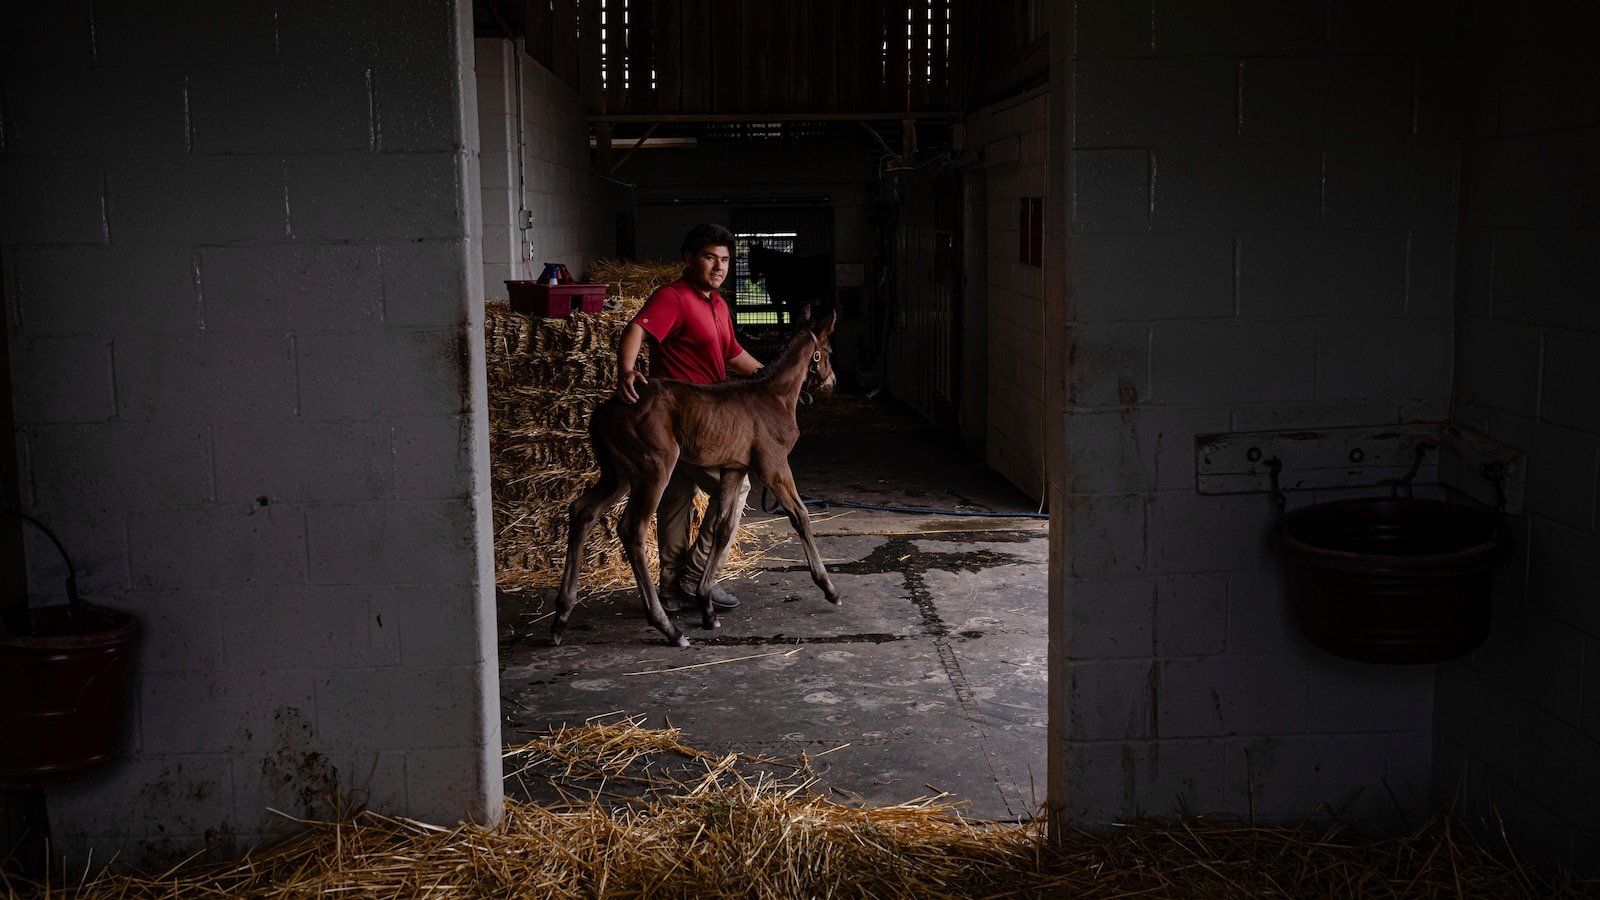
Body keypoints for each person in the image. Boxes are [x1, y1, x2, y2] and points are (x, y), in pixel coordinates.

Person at [614, 224, 763, 610]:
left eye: (725, 260)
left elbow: (732, 354)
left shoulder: (718, 304)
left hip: (709, 416)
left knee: (675, 499)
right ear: (688, 259)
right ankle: (698, 576)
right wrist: (627, 371)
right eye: (711, 257)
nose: (719, 266)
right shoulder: (673, 297)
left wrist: (771, 379)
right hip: (682, 417)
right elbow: (635, 331)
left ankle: (670, 587)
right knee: (735, 489)